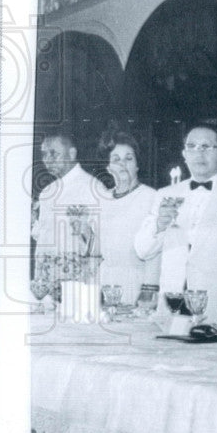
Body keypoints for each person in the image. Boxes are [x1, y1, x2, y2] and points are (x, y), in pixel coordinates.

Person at [134, 124, 217, 323]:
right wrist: (159, 225)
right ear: (184, 155)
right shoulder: (166, 195)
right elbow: (143, 251)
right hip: (172, 308)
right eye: (192, 146)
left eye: (207, 146)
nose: (199, 153)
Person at [71, 131, 160, 306]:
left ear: (137, 165)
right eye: (116, 159)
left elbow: (157, 251)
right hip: (104, 285)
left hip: (137, 284)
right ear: (108, 167)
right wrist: (84, 231)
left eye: (129, 158)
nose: (123, 165)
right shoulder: (102, 198)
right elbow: (96, 251)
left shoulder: (151, 197)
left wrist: (149, 291)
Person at [31, 130, 103, 259]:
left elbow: (103, 241)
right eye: (44, 154)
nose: (47, 160)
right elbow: (43, 236)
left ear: (72, 154)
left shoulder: (92, 188)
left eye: (53, 154)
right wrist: (33, 221)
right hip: (45, 273)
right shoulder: (47, 191)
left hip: (77, 274)